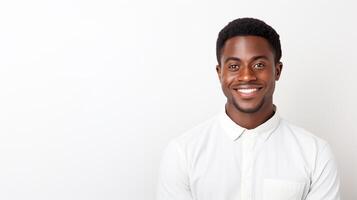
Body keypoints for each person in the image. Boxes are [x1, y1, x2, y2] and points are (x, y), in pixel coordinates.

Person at [156, 18, 340, 200]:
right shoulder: (182, 153)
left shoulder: (315, 153)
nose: (246, 76)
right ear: (220, 73)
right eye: (234, 66)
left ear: (277, 71)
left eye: (259, 65)